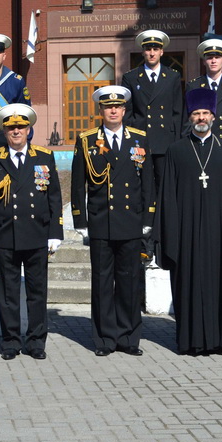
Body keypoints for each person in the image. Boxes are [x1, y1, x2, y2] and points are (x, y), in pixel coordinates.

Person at [156, 88, 222, 355]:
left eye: (205, 113)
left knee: (220, 284)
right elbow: (168, 197)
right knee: (189, 284)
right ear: (190, 117)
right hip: (187, 232)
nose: (200, 118)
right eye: (196, 113)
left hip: (221, 231)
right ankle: (192, 341)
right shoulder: (176, 150)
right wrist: (170, 234)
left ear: (214, 117)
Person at [71, 86, 153, 357]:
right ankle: (105, 339)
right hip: (101, 221)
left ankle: (129, 338)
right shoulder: (87, 140)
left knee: (129, 282)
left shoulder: (139, 139)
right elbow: (77, 184)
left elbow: (148, 183)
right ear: (101, 111)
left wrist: (147, 218)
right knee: (103, 283)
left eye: (118, 107)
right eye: (108, 107)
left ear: (125, 110)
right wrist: (80, 221)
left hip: (130, 222)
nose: (113, 111)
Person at [0, 104, 62, 360]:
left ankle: (36, 341)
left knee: (37, 292)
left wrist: (55, 232)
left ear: (29, 130)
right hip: (6, 235)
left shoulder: (44, 157)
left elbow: (54, 197)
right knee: (8, 293)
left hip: (36, 234)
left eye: (21, 127)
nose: (16, 131)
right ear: (4, 131)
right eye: (11, 127)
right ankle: (11, 341)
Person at [120, 30, 183, 261]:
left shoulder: (173, 77)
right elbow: (128, 113)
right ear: (143, 51)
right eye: (148, 49)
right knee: (144, 193)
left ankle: (164, 241)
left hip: (166, 144)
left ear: (162, 51)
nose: (152, 52)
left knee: (166, 193)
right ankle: (144, 244)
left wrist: (177, 144)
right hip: (142, 144)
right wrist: (132, 141)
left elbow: (178, 114)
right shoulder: (131, 78)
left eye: (156, 49)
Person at [186, 39, 222, 146]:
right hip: (200, 142)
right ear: (204, 61)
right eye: (209, 58)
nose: (213, 61)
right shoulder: (193, 85)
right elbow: (187, 120)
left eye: (217, 58)